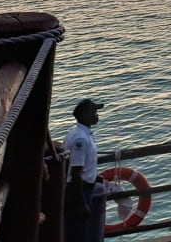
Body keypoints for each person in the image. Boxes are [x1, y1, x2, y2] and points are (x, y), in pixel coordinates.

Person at [63, 98, 105, 242]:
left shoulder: (81, 134)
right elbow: (76, 171)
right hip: (79, 192)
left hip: (83, 188)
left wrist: (94, 177)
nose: (96, 114)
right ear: (85, 114)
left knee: (81, 231)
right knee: (79, 233)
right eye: (93, 111)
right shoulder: (80, 139)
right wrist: (81, 202)